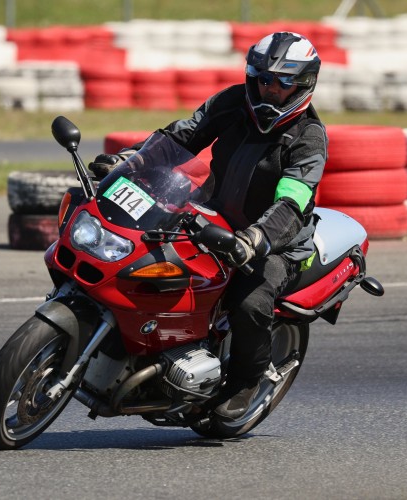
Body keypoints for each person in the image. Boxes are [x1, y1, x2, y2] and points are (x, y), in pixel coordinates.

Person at [89, 32, 327, 420]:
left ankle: (247, 382)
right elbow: (183, 136)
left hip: (274, 242)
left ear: (303, 86)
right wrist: (130, 159)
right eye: (264, 79)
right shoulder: (233, 102)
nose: (270, 90)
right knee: (147, 260)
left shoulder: (309, 139)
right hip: (212, 216)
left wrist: (256, 238)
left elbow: (292, 201)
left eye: (283, 83)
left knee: (250, 303)